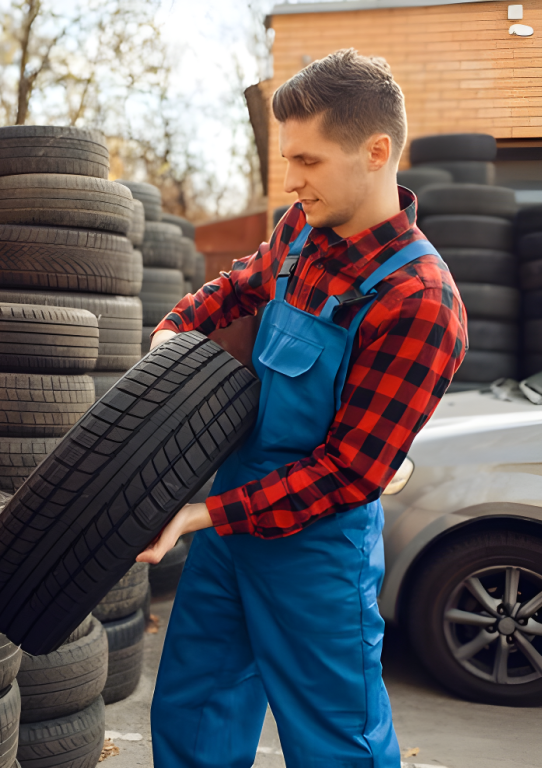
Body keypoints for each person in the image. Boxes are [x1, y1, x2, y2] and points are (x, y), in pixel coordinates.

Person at [138, 49, 467, 767]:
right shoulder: (302, 230)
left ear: (375, 152)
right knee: (193, 710)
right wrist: (174, 327)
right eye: (289, 159)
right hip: (233, 519)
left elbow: (349, 473)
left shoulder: (420, 303)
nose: (292, 180)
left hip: (316, 555)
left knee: (334, 744)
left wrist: (198, 515)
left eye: (309, 161)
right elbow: (242, 283)